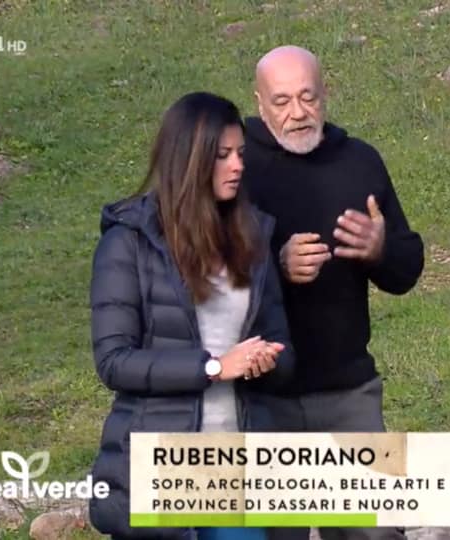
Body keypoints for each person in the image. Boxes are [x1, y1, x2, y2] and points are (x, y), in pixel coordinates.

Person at [87, 91, 295, 540]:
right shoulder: (128, 242)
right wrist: (215, 367)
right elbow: (114, 361)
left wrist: (267, 360)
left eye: (240, 154)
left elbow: (284, 350)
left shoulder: (254, 236)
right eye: (222, 156)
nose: (237, 166)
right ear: (188, 159)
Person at [241, 46, 424, 540]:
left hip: (349, 393)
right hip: (263, 400)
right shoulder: (237, 169)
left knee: (375, 532)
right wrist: (275, 265)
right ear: (259, 103)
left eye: (308, 97)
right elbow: (203, 277)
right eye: (282, 101)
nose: (298, 113)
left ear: (326, 93)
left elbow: (406, 271)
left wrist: (381, 250)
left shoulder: (359, 161)